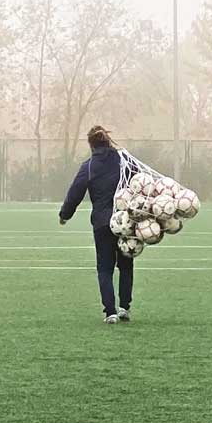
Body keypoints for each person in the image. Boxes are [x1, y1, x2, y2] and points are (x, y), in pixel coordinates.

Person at [59, 125, 134, 324]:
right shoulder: (125, 160)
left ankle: (110, 312)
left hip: (102, 223)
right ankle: (124, 308)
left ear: (91, 145)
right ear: (108, 141)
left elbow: (75, 192)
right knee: (126, 265)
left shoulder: (90, 166)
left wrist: (65, 215)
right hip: (125, 221)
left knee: (104, 268)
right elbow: (140, 182)